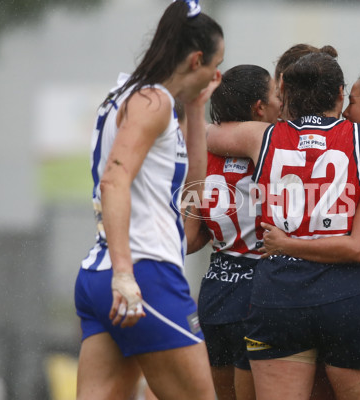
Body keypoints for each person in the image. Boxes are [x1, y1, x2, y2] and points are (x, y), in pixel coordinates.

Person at [206, 53, 360, 400]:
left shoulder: (259, 136)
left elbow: (206, 136)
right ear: (339, 93)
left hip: (280, 293)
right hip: (346, 294)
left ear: (285, 94)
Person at [73, 1, 224, 399]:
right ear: (196, 60)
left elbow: (192, 185)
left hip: (101, 276)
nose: (217, 74)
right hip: (143, 273)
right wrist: (125, 273)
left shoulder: (145, 99)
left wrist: (196, 107)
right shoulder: (152, 103)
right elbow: (114, 181)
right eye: (215, 64)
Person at [183, 64, 282, 400]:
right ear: (258, 107)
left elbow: (191, 237)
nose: (281, 100)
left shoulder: (202, 152)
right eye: (274, 94)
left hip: (218, 293)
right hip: (263, 293)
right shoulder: (273, 150)